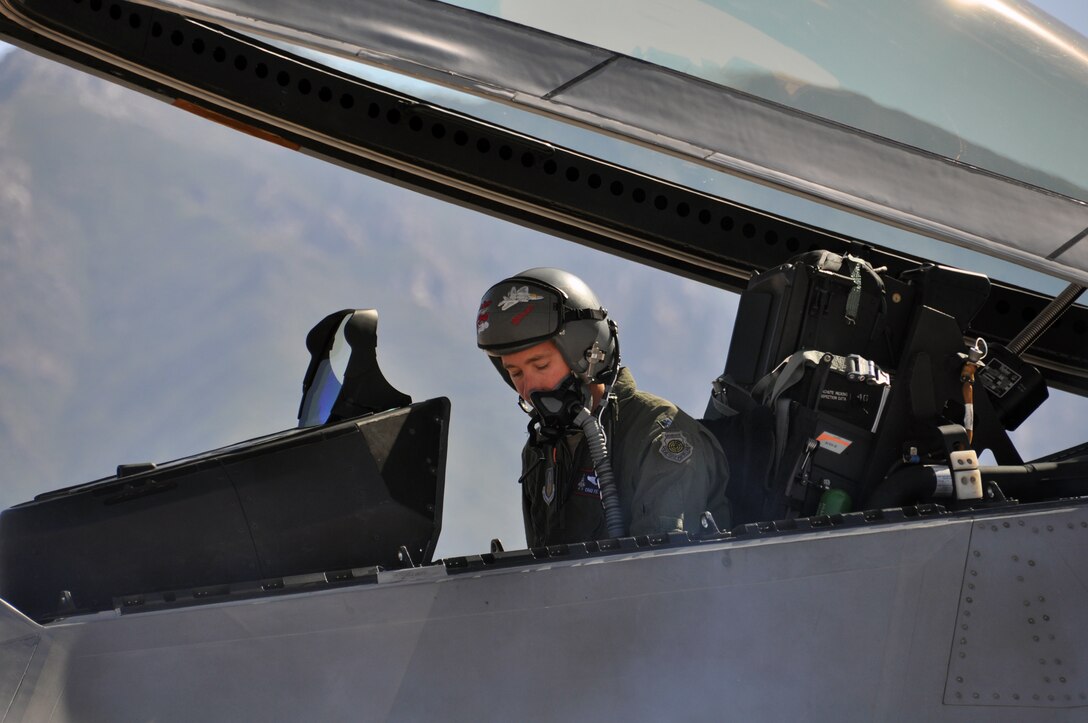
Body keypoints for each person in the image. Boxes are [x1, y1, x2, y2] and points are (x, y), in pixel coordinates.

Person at [476, 268, 730, 547]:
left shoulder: (659, 434)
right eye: (515, 373)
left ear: (588, 355)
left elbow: (663, 565)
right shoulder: (542, 449)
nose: (529, 388)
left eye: (541, 365)